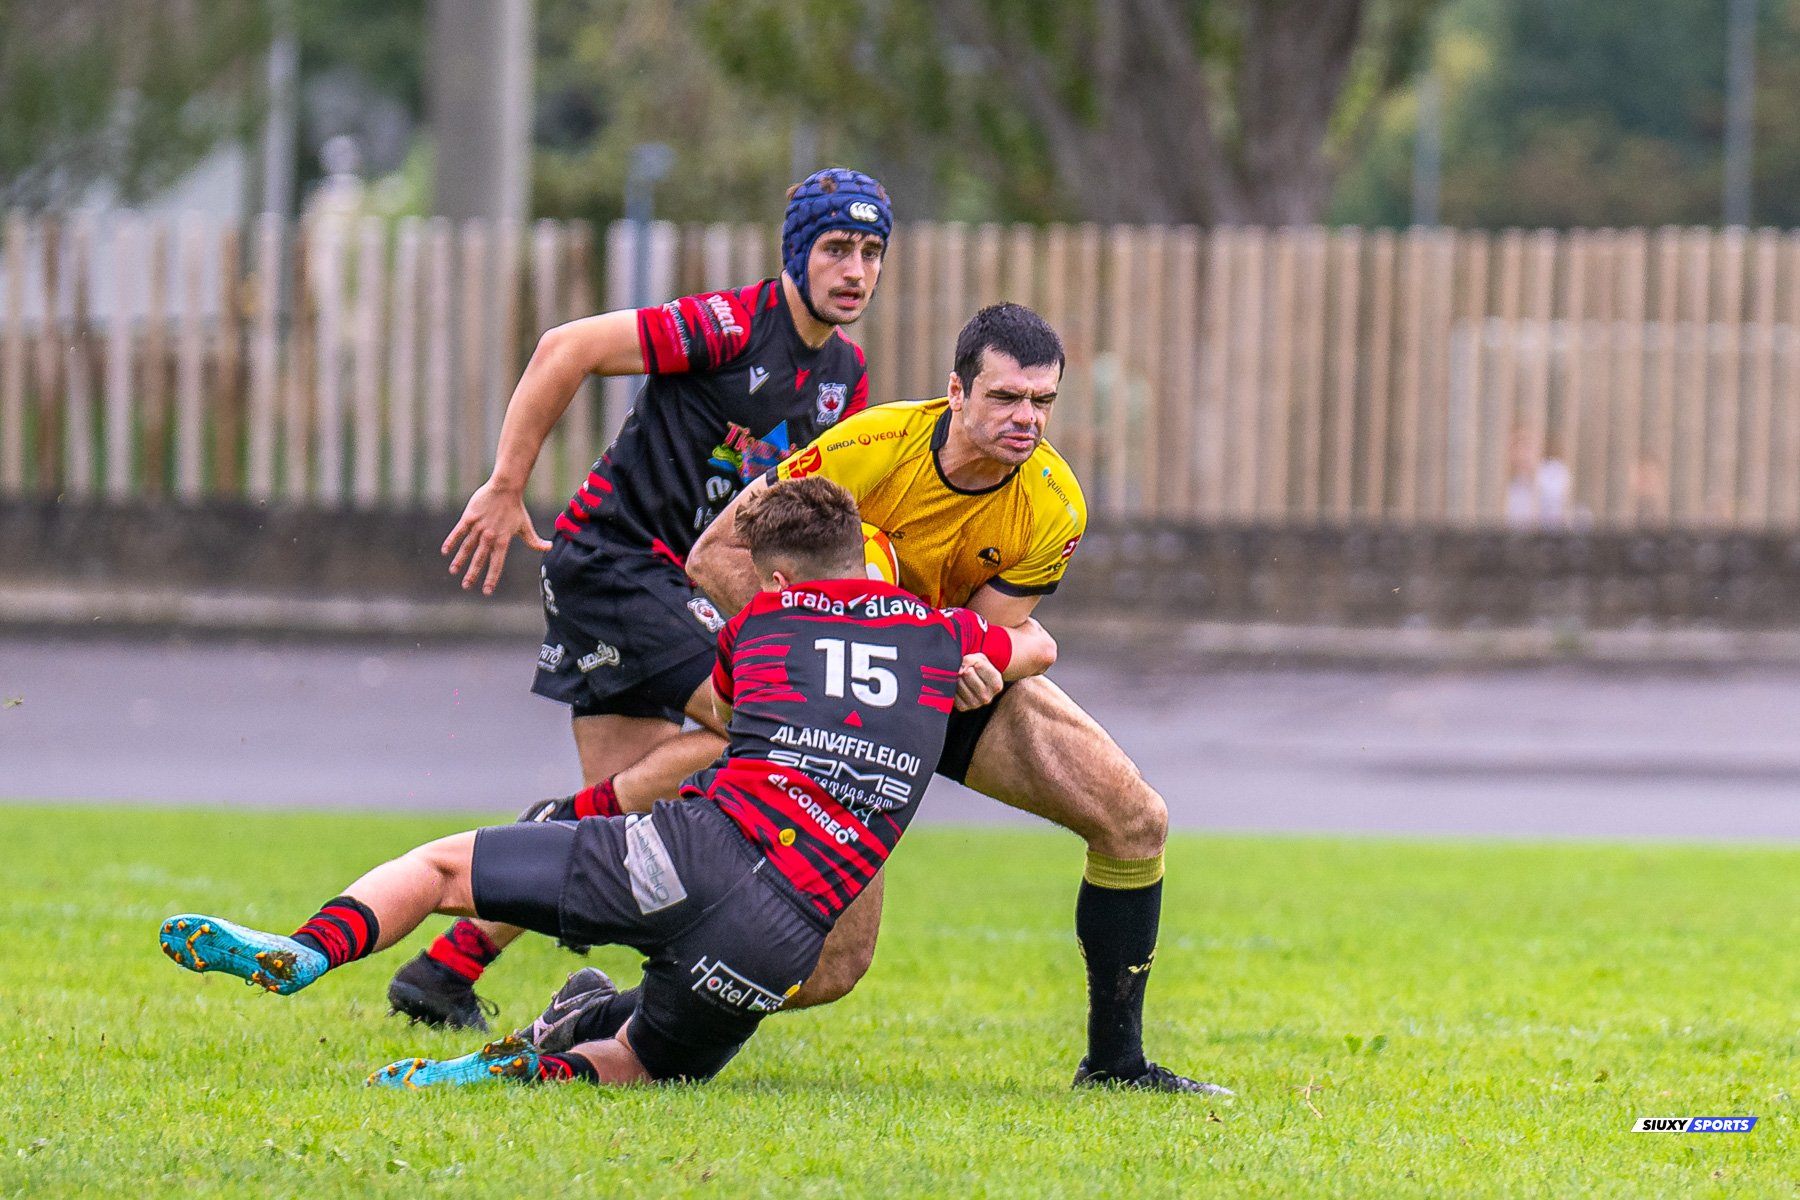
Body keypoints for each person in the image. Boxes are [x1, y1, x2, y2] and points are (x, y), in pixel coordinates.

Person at [157, 477, 1056, 1089]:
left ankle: (305, 951)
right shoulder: (941, 639)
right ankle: (534, 1067)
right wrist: (991, 664)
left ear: (778, 576)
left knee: (441, 872)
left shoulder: (760, 624)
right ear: (862, 551)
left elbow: (749, 705)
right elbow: (1036, 645)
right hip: (785, 938)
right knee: (641, 1058)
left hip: (694, 851)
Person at [388, 169, 892, 1031]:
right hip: (617, 564)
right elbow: (565, 348)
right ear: (796, 252)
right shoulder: (729, 325)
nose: (854, 269)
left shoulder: (844, 378)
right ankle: (545, 845)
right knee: (757, 725)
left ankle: (444, 969)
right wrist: (508, 485)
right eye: (836, 248)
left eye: (871, 251)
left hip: (670, 585)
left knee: (629, 815)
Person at [678, 302, 1225, 1093]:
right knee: (835, 967)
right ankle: (619, 1015)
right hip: (838, 694)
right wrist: (806, 655)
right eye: (1005, 398)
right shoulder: (871, 445)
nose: (1026, 419)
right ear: (955, 393)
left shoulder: (1055, 503)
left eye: (1043, 402)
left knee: (1136, 820)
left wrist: (981, 660)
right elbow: (716, 552)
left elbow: (991, 633)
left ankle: (1116, 1065)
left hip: (932, 680)